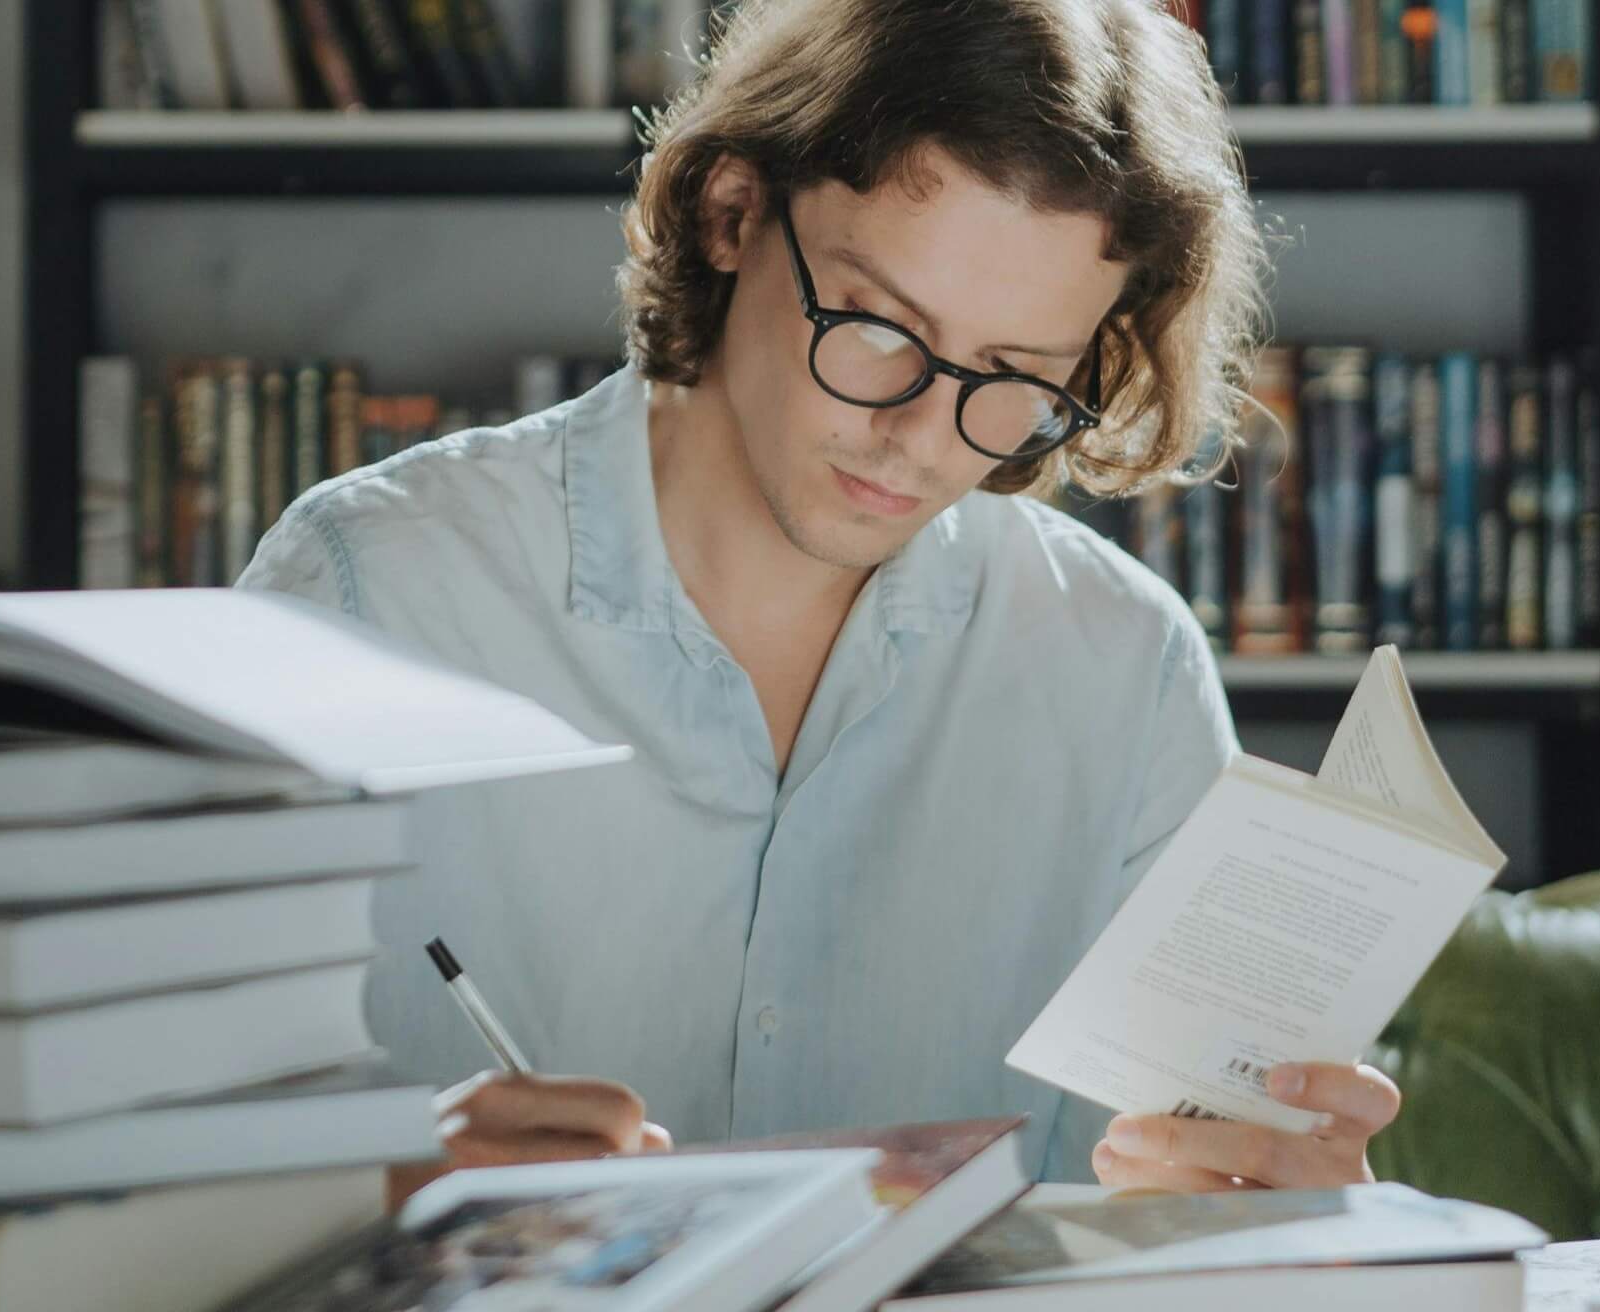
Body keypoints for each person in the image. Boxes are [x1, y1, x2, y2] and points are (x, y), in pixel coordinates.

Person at [238, 0, 1402, 1196]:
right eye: (877, 326)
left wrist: (1284, 1204)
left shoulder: (1125, 671)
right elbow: (128, 1185)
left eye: (1012, 378)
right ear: (731, 213)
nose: (914, 436)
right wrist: (359, 1185)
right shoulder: (365, 592)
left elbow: (1199, 1211)